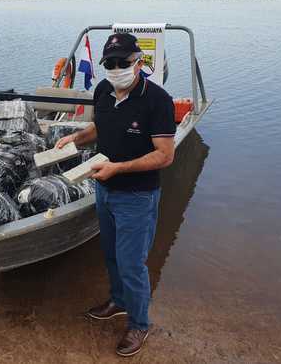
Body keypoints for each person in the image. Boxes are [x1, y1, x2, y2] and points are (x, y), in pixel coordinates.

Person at [56, 32, 176, 357]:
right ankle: (119, 302)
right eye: (110, 63)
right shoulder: (102, 90)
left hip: (136, 196)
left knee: (132, 264)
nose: (116, 68)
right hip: (104, 190)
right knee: (110, 255)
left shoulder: (158, 100)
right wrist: (75, 139)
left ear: (139, 62)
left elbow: (165, 155)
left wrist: (118, 168)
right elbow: (99, 128)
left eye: (123, 62)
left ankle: (139, 324)